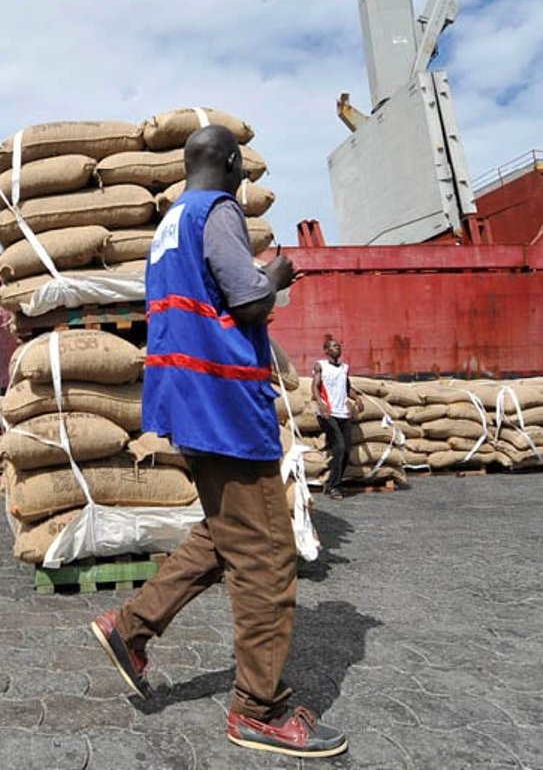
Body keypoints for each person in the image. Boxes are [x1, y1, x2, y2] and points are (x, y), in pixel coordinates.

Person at [89, 125, 348, 759]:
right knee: (266, 558)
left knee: (223, 531)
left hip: (189, 404)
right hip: (227, 408)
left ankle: (131, 627)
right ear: (232, 163)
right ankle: (258, 710)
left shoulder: (168, 223)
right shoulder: (219, 211)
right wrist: (278, 274)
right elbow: (250, 298)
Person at [312, 337, 364, 500]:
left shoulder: (344, 368)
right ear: (326, 351)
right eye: (333, 346)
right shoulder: (321, 365)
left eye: (338, 346)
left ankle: (333, 483)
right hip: (328, 414)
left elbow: (347, 387)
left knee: (346, 451)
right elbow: (314, 386)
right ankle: (334, 487)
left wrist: (357, 398)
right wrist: (320, 403)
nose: (337, 348)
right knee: (339, 447)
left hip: (343, 414)